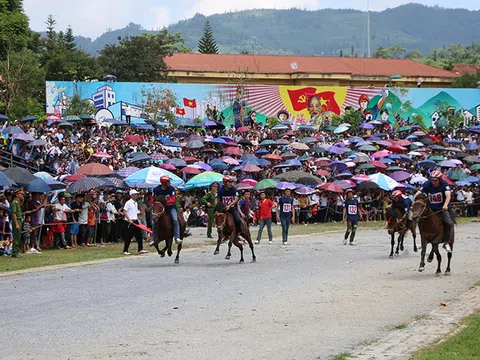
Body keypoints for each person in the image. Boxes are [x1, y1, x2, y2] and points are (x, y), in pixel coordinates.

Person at [414, 170, 453, 253]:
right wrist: (414, 201)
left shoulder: (444, 185)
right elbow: (418, 193)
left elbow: (448, 195)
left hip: (442, 208)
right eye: (432, 180)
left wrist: (445, 205)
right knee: (419, 219)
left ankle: (446, 242)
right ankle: (423, 239)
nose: (433, 182)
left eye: (435, 180)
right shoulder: (427, 184)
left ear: (439, 180)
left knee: (449, 222)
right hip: (431, 208)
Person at [153, 176, 181, 244]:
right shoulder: (157, 189)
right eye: (168, 181)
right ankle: (153, 238)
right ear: (164, 183)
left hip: (170, 207)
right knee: (155, 221)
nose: (169, 183)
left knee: (175, 219)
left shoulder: (171, 189)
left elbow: (173, 199)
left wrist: (165, 203)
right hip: (160, 209)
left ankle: (177, 237)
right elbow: (153, 199)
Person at [123, 189, 148, 255]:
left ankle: (140, 249)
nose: (136, 195)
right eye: (135, 194)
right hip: (130, 222)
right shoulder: (128, 203)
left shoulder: (135, 203)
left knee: (139, 235)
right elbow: (124, 211)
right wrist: (129, 219)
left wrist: (139, 214)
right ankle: (125, 250)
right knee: (128, 236)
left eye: (137, 194)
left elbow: (135, 212)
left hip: (135, 221)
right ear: (131, 195)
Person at [10, 188, 24, 258]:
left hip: (19, 220)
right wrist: (16, 224)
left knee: (18, 237)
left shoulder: (18, 202)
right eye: (21, 194)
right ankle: (14, 253)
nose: (22, 196)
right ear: (17, 194)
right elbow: (13, 214)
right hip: (17, 221)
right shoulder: (14, 203)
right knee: (16, 237)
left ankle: (16, 251)